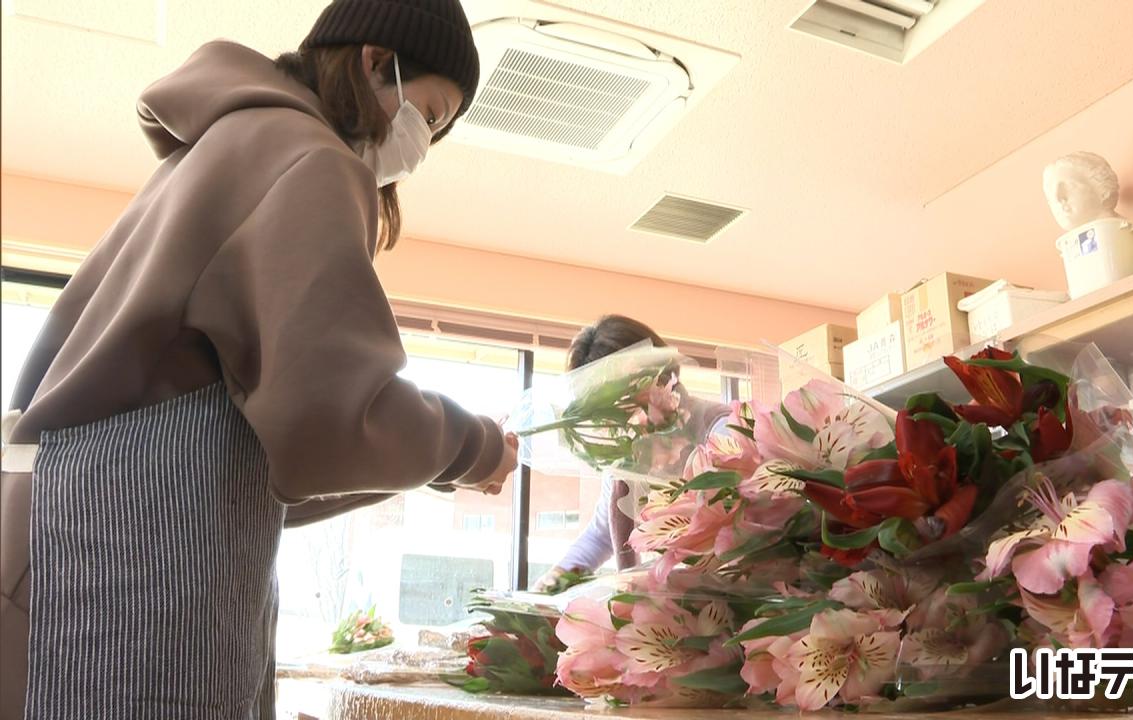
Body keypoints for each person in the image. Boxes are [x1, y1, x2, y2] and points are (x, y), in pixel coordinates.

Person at [0, 1, 518, 716]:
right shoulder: (309, 159)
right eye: (429, 114)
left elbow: (278, 457)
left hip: (84, 527)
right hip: (133, 560)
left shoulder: (229, 147)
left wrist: (433, 465)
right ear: (375, 61)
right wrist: (473, 446)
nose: (422, 145)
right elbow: (331, 420)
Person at [532, 315, 730, 593]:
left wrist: (649, 583)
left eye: (615, 400)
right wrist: (553, 583)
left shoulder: (721, 430)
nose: (611, 421)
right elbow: (600, 535)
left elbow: (734, 541)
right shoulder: (627, 460)